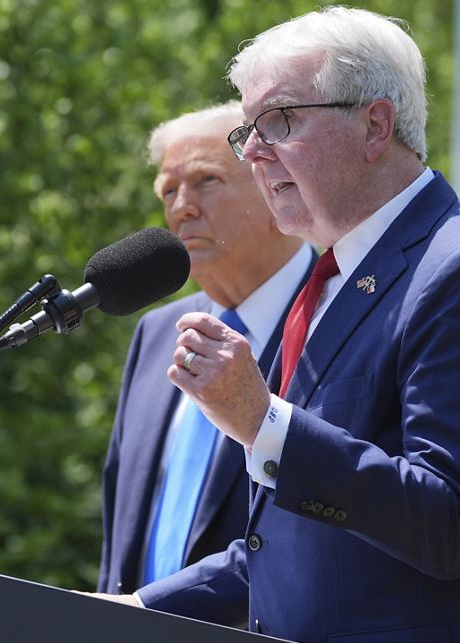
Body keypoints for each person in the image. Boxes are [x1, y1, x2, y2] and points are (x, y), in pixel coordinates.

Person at [119, 7, 460, 643]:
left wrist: (261, 422)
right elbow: (290, 544)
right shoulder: (329, 280)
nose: (254, 154)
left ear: (375, 125)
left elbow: (447, 520)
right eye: (249, 131)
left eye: (280, 122)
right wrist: (135, 606)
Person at [95, 101, 314, 597]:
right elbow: (122, 530)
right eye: (169, 190)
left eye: (206, 181)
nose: (181, 208)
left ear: (274, 182)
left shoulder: (339, 314)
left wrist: (150, 608)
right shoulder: (157, 332)